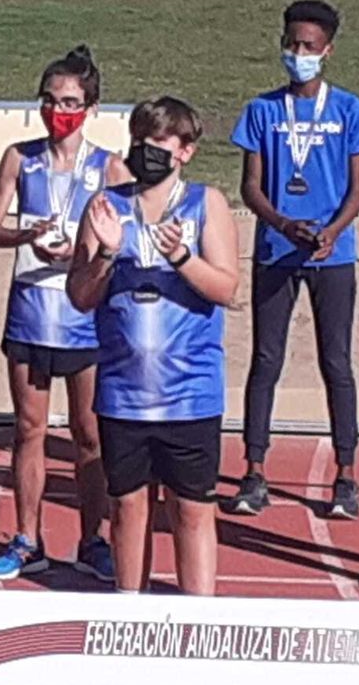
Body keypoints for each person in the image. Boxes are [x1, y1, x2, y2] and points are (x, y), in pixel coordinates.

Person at [67, 98, 239, 596]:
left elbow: (227, 288)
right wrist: (106, 253)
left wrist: (182, 257)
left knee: (191, 509)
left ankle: (197, 616)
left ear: (185, 151)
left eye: (159, 142)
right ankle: (130, 607)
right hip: (124, 393)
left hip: (189, 392)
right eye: (140, 140)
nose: (147, 151)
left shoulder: (205, 204)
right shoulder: (105, 207)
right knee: (127, 506)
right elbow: (80, 296)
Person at [223, 0, 359, 521]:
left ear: (327, 50)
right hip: (277, 250)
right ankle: (254, 471)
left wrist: (332, 232)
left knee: (336, 361)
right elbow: (250, 186)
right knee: (266, 359)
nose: (298, 54)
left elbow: (358, 189)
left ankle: (346, 474)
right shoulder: (262, 110)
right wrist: (282, 224)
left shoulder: (350, 111)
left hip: (332, 255)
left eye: (309, 46)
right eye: (291, 44)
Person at [0, 46, 126, 583]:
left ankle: (93, 540)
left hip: (84, 317)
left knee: (89, 434)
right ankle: (26, 539)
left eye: (68, 102)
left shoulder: (109, 167)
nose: (56, 111)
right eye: (49, 100)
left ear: (91, 108)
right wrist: (27, 236)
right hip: (30, 312)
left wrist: (85, 253)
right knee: (29, 428)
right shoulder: (20, 158)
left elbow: (126, 239)